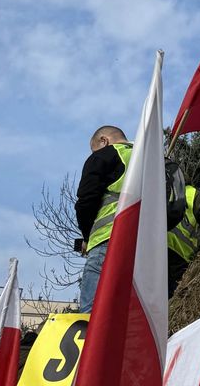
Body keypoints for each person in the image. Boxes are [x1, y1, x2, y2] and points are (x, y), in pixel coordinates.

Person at [74, 126, 132, 312]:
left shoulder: (105, 155)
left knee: (91, 314)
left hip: (108, 240)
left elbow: (86, 201)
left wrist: (87, 237)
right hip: (147, 247)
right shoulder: (154, 160)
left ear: (104, 141)